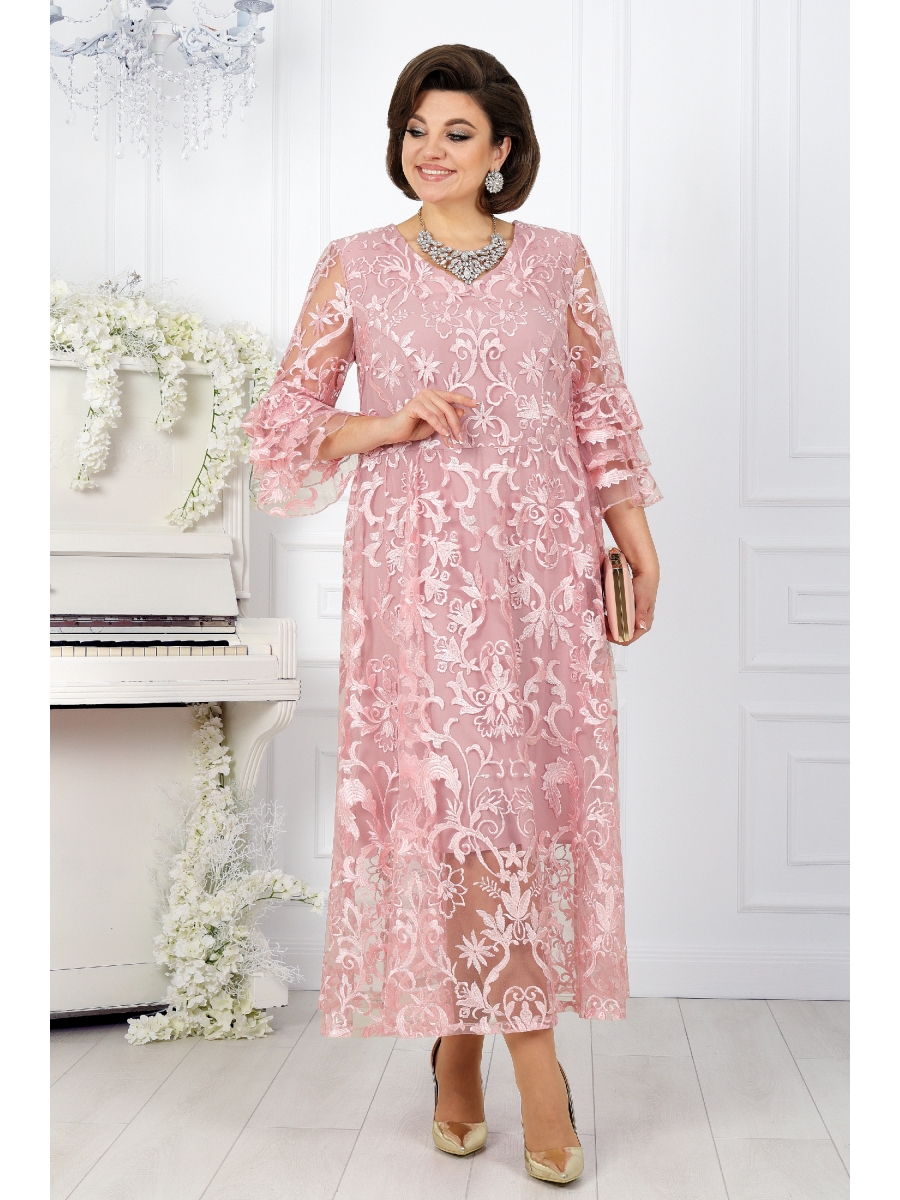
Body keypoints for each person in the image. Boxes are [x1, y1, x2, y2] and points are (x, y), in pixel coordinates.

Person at [244, 43, 661, 1185]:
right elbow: (283, 423)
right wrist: (387, 423)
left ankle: (459, 1048)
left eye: (457, 133)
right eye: (416, 130)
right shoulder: (358, 265)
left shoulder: (560, 262)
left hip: (541, 573)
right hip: (417, 577)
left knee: (521, 800)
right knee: (456, 800)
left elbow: (601, 408)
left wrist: (632, 535)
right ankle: (537, 1069)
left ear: (503, 149)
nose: (430, 150)